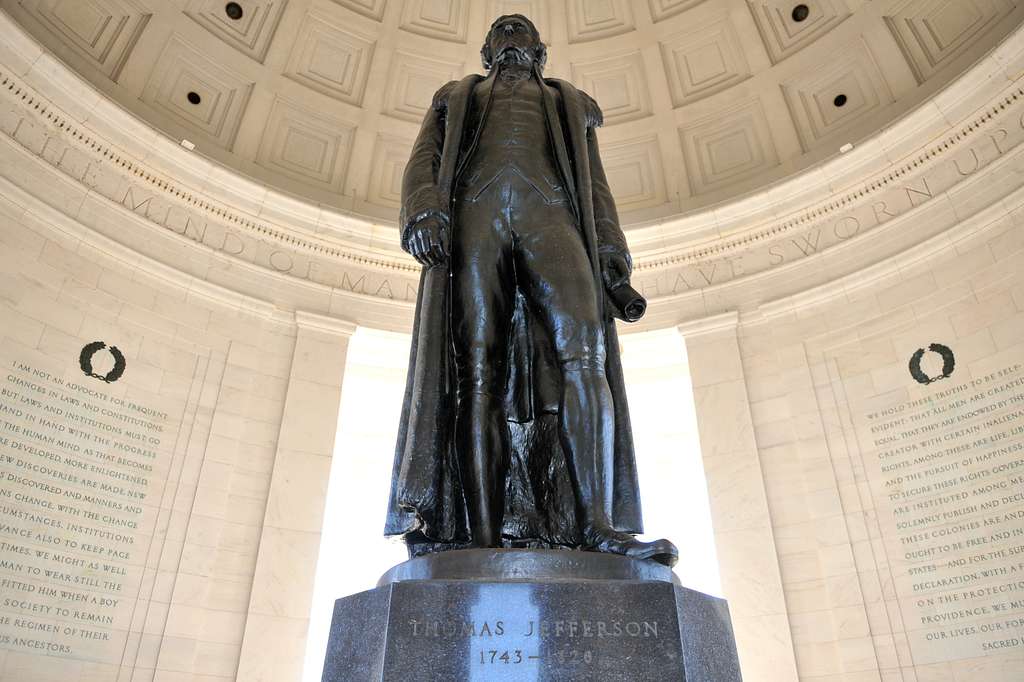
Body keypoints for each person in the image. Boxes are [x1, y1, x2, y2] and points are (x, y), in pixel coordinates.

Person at [384, 14, 677, 567]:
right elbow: (423, 158)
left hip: (553, 218)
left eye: (522, 33)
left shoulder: (570, 102)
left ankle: (596, 527)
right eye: (502, 32)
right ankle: (483, 535)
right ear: (487, 50)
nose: (512, 36)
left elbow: (595, 182)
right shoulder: (454, 97)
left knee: (585, 353)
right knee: (476, 373)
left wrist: (612, 251)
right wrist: (422, 208)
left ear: (540, 52)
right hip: (476, 217)